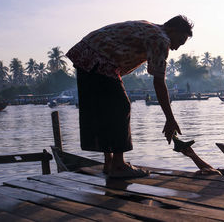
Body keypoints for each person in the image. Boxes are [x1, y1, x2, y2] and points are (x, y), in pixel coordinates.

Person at [66, 15, 193, 178]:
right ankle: (118, 165)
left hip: (86, 53)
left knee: (106, 111)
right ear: (172, 30)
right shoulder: (161, 39)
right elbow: (159, 83)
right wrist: (170, 118)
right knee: (121, 107)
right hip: (99, 59)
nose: (176, 47)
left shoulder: (150, 27)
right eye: (179, 41)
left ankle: (109, 163)